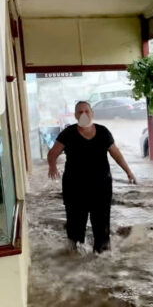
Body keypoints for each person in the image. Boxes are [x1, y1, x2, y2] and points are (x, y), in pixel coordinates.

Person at [47, 100, 136, 253]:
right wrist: (52, 166)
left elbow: (116, 154)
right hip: (75, 188)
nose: (83, 114)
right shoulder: (68, 134)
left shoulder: (103, 132)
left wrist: (128, 172)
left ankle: (101, 261)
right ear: (75, 115)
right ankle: (74, 260)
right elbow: (52, 153)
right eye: (80, 112)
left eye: (86, 111)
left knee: (102, 226)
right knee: (75, 226)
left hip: (101, 187)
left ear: (92, 114)